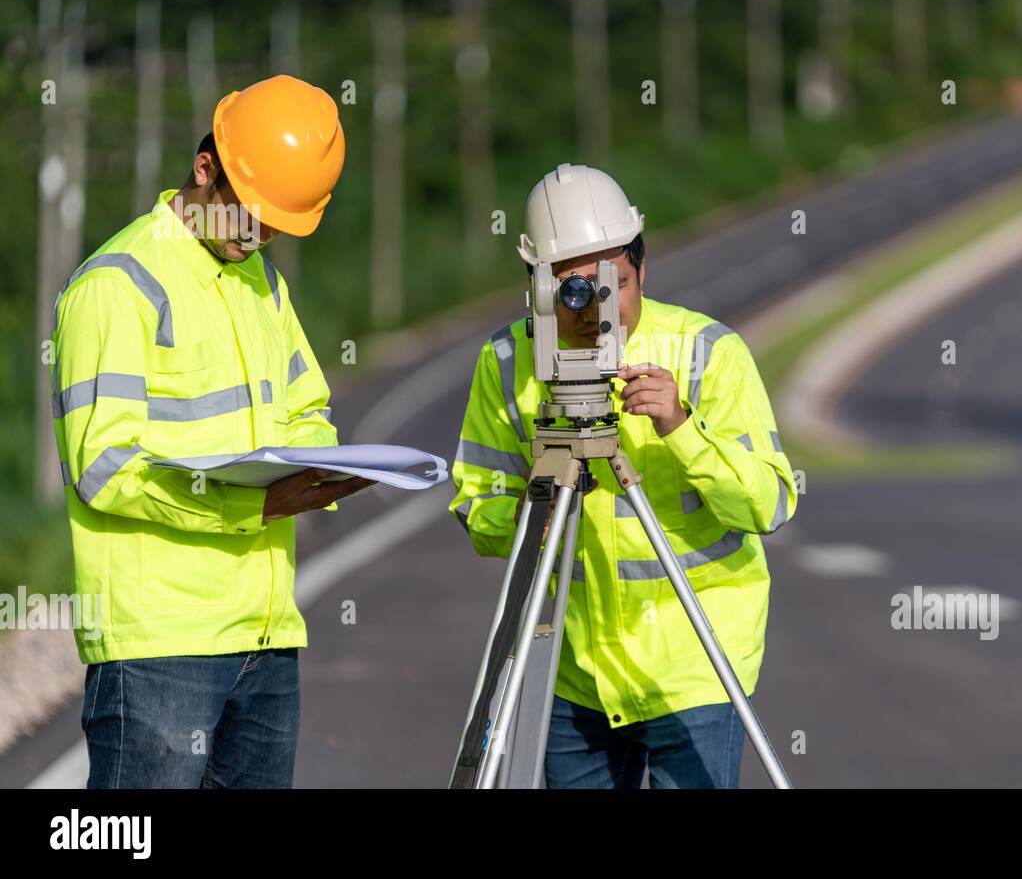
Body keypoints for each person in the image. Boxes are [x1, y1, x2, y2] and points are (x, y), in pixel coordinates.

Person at [49, 74, 375, 788]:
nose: (258, 237)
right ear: (205, 169)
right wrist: (252, 504)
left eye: (275, 226)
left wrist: (322, 470)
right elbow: (103, 465)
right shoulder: (119, 284)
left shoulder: (261, 282)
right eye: (251, 215)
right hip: (160, 646)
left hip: (266, 634)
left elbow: (307, 408)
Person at [449, 163, 797, 788]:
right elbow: (478, 509)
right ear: (535, 285)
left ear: (643, 270)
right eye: (571, 288)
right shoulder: (507, 364)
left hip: (696, 668)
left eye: (616, 282)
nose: (594, 307)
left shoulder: (706, 354)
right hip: (573, 673)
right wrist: (538, 507)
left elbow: (766, 505)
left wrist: (681, 427)